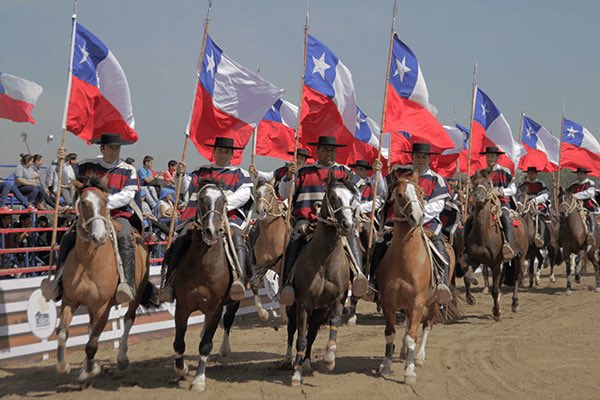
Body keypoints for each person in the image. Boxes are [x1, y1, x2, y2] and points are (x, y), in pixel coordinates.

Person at [41, 133, 141, 303]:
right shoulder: (88, 164)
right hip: (89, 217)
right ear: (102, 148)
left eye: (117, 148)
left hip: (117, 214)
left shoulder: (128, 169)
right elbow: (68, 179)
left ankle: (127, 284)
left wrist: (102, 204)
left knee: (125, 236)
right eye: (111, 148)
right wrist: (62, 162)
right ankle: (58, 281)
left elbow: (128, 195)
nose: (114, 151)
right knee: (68, 237)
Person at [277, 136, 371, 306]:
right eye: (326, 149)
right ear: (317, 151)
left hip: (338, 222)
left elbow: (358, 196)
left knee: (352, 239)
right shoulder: (303, 171)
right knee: (294, 241)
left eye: (332, 150)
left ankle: (359, 275)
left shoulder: (346, 172)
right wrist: (288, 177)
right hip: (307, 220)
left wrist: (351, 214)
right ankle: (287, 285)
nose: (329, 153)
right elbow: (284, 194)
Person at [160, 137, 252, 302]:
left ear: (232, 155)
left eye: (226, 152)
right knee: (180, 240)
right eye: (219, 151)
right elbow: (186, 186)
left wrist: (219, 207)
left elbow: (244, 194)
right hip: (200, 217)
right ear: (213, 152)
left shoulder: (240, 173)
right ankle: (170, 282)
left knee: (238, 238)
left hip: (227, 216)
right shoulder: (201, 170)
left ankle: (239, 278)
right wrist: (179, 174)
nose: (223, 154)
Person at [476, 146, 518, 261]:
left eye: (492, 156)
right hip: (485, 204)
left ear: (497, 157)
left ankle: (508, 245)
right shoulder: (481, 173)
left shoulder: (505, 171)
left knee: (505, 217)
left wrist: (500, 192)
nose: (490, 159)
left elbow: (513, 189)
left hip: (501, 203)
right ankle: (467, 247)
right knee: (472, 219)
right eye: (488, 156)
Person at [348, 159, 385, 250]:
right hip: (349, 215)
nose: (358, 172)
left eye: (361, 169)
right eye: (357, 169)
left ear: (366, 171)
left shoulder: (372, 183)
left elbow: (379, 199)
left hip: (366, 217)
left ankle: (371, 252)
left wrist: (360, 208)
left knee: (367, 231)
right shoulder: (349, 184)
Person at [518, 166, 550, 247]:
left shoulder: (540, 184)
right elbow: (518, 195)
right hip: (524, 205)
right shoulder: (523, 185)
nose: (530, 175)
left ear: (536, 174)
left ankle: (540, 237)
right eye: (528, 173)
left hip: (537, 204)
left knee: (540, 216)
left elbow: (545, 195)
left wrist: (535, 200)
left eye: (532, 173)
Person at [567, 167, 598, 245]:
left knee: (590, 217)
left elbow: (590, 193)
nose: (579, 175)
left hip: (588, 207)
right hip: (574, 208)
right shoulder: (573, 185)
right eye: (578, 174)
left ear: (585, 174)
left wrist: (575, 196)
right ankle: (559, 237)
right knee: (564, 218)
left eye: (581, 174)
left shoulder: (590, 183)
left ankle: (591, 234)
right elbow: (567, 194)